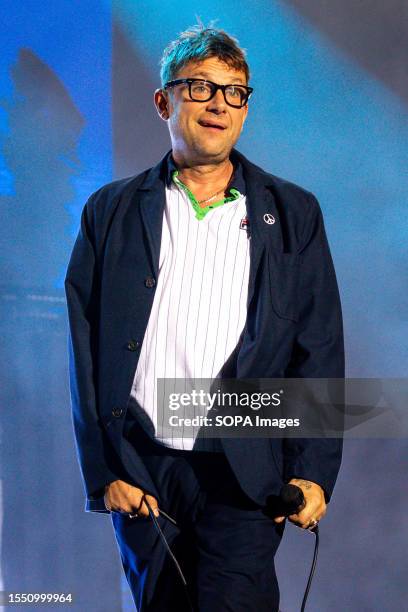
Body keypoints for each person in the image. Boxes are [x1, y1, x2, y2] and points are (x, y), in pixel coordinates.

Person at [65, 23, 344, 611]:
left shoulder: (293, 212)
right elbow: (84, 350)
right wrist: (103, 471)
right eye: (199, 87)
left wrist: (313, 469)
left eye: (234, 92)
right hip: (144, 468)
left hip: (244, 468)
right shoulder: (110, 211)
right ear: (164, 101)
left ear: (245, 111)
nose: (218, 103)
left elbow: (317, 347)